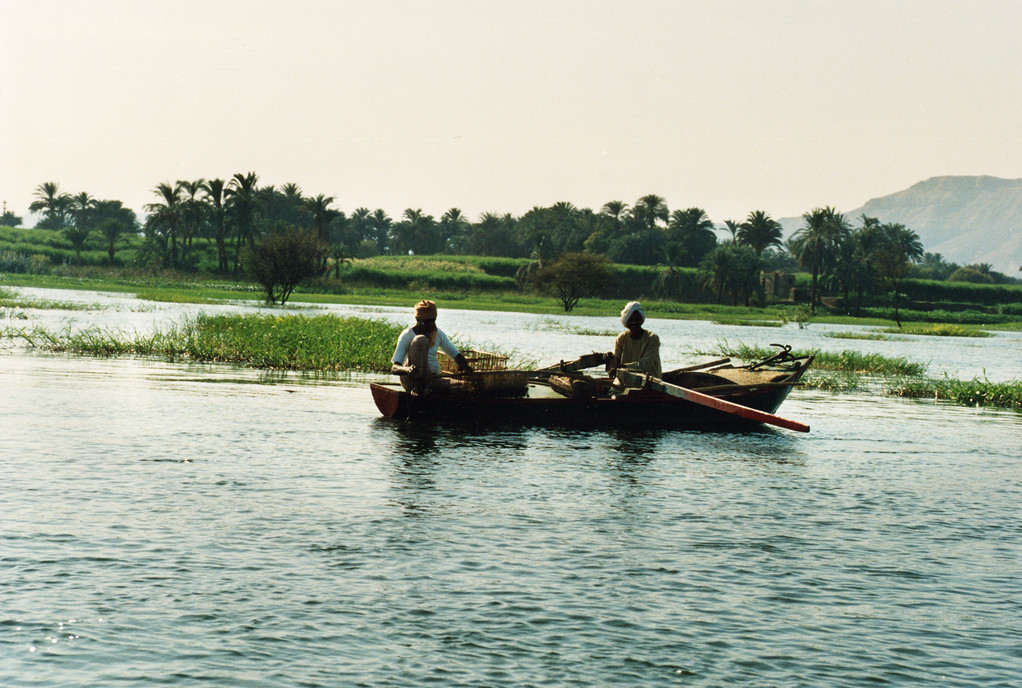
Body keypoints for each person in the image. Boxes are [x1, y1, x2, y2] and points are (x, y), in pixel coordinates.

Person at [391, 299, 472, 395]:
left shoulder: (437, 333)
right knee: (420, 339)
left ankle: (427, 388)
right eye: (427, 322)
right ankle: (418, 387)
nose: (432, 325)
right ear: (418, 320)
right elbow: (394, 368)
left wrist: (464, 365)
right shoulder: (407, 334)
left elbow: (455, 354)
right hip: (411, 380)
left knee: (467, 386)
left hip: (431, 379)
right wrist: (408, 370)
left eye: (433, 321)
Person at [606, 301, 662, 382]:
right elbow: (616, 360)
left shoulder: (652, 338)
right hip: (625, 381)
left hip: (649, 383)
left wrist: (622, 367)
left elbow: (644, 364)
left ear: (641, 320)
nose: (634, 322)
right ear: (626, 321)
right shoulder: (621, 338)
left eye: (637, 319)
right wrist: (610, 358)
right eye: (631, 319)